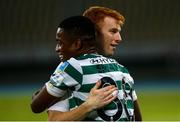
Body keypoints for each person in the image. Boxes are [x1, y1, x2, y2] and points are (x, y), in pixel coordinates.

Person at [31, 15, 141, 121]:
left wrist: (89, 105)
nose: (57, 49)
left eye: (60, 43)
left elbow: (36, 106)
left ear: (77, 44)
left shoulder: (73, 67)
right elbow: (138, 118)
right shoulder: (122, 70)